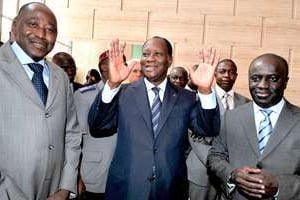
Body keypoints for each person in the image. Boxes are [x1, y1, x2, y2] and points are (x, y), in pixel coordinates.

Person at [88, 36, 220, 200]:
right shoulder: (123, 93)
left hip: (170, 190)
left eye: (157, 54)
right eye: (146, 54)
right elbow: (98, 128)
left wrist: (205, 90)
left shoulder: (186, 98)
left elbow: (207, 129)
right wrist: (113, 85)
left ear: (170, 60)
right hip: (126, 188)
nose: (150, 58)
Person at [0, 2, 81, 200]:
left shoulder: (60, 77)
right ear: (14, 27)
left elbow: (71, 133)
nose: (42, 35)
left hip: (54, 192)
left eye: (50, 29)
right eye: (33, 24)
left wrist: (65, 187)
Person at [207, 53, 300, 200]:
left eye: (273, 79)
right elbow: (215, 157)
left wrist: (279, 186)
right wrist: (232, 174)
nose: (262, 85)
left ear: (286, 82)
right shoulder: (231, 117)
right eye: (256, 78)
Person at [187, 59, 251, 200]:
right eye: (222, 71)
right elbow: (194, 136)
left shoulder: (246, 103)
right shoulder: (198, 98)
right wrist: (216, 162)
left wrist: (230, 166)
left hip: (232, 173)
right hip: (202, 170)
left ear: (236, 76)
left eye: (231, 72)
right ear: (214, 74)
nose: (227, 75)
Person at [74, 51, 119, 200]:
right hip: (94, 170)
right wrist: (76, 173)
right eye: (114, 61)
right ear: (103, 68)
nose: (120, 65)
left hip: (121, 171)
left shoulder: (129, 94)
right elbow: (77, 137)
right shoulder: (85, 95)